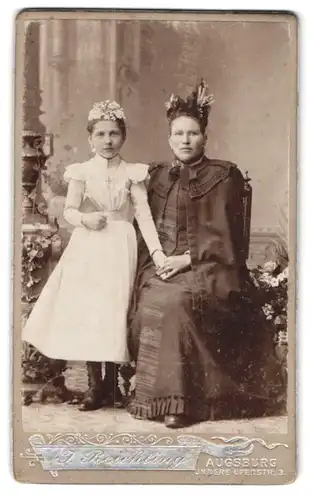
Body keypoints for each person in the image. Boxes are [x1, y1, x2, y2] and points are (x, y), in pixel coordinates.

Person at [127, 81, 284, 428]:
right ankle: (158, 396)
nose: (185, 140)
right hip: (162, 266)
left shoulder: (222, 175)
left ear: (205, 138)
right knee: (154, 297)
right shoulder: (155, 178)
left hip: (212, 268)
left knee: (177, 303)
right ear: (170, 138)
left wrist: (186, 259)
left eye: (193, 133)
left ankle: (180, 404)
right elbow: (145, 229)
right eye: (178, 133)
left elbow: (229, 239)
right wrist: (160, 261)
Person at [22, 100, 166, 411]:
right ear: (90, 139)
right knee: (89, 311)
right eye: (100, 134)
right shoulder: (82, 172)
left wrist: (156, 252)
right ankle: (94, 385)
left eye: (114, 133)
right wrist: (85, 219)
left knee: (113, 311)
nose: (108, 140)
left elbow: (143, 216)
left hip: (120, 242)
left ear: (123, 137)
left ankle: (113, 384)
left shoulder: (132, 173)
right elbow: (70, 210)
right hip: (89, 243)